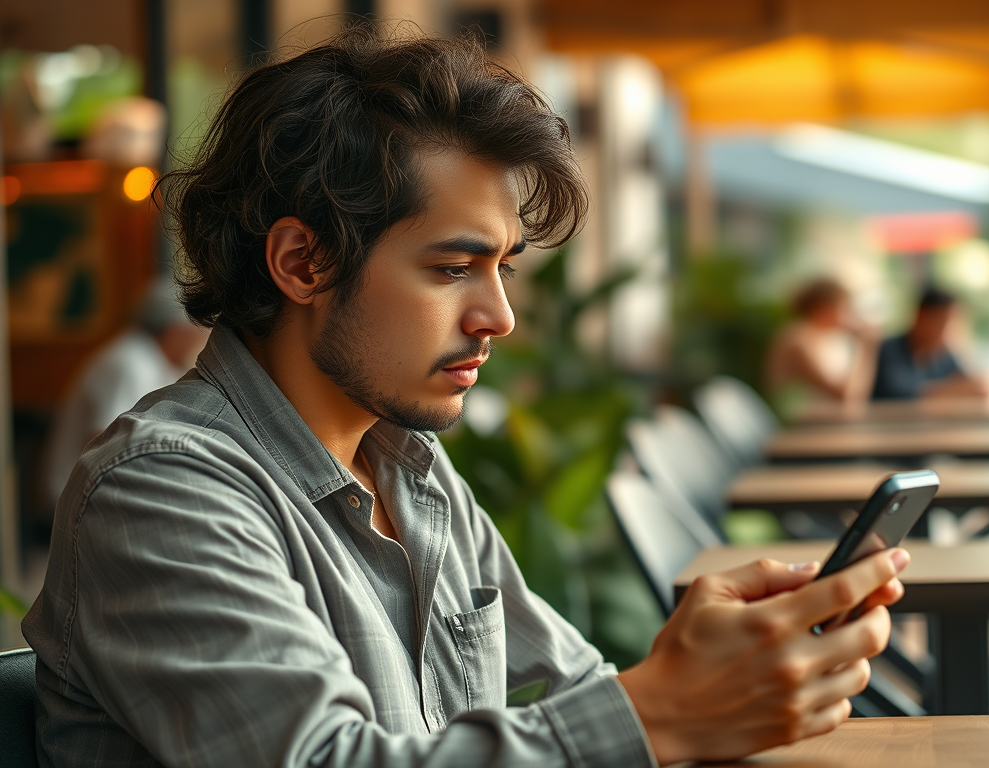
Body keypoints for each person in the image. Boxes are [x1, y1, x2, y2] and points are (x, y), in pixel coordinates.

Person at [23, 25, 907, 768]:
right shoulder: (162, 491)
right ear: (302, 262)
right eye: (453, 268)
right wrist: (659, 713)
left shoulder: (408, 467)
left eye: (502, 268)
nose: (499, 317)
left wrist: (713, 679)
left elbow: (576, 690)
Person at [40, 276, 209, 510]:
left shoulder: (155, 361)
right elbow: (108, 448)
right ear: (174, 332)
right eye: (198, 331)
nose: (204, 338)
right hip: (81, 504)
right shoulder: (131, 361)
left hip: (103, 496)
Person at [765, 278, 878, 413]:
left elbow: (856, 400)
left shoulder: (828, 341)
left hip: (823, 420)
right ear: (822, 307)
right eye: (844, 307)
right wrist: (866, 346)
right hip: (799, 423)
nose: (849, 314)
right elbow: (847, 397)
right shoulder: (798, 340)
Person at [871, 287, 988, 400]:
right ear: (922, 317)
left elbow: (968, 381)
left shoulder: (943, 356)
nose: (949, 333)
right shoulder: (888, 350)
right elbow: (900, 395)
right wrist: (955, 390)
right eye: (943, 324)